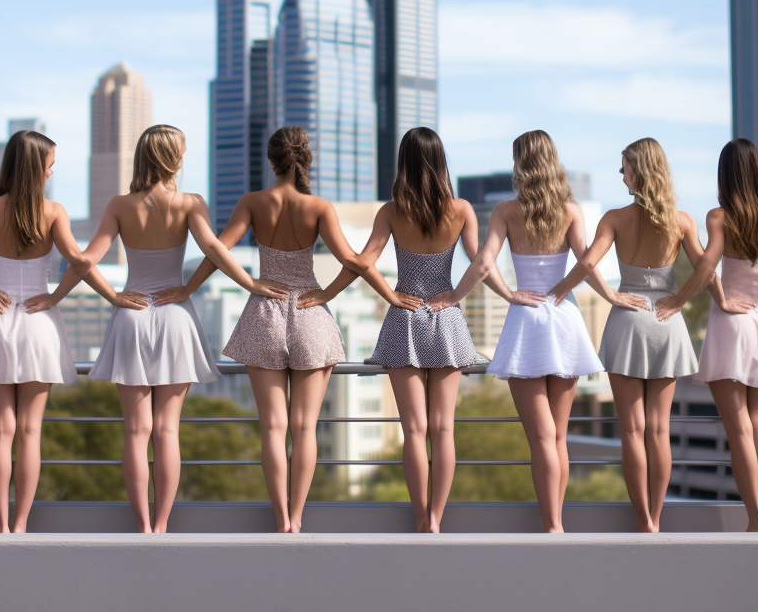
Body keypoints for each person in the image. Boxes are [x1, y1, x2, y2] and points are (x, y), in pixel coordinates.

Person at [28, 124, 286, 533]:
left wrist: (101, 296)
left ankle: (143, 524)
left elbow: (82, 261)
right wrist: (251, 284)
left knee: (135, 430)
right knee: (167, 430)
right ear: (174, 158)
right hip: (174, 315)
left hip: (131, 315)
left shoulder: (119, 205)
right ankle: (163, 526)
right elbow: (216, 249)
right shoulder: (190, 203)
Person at [169, 125, 422, 533]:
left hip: (263, 315)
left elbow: (217, 250)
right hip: (310, 313)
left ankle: (279, 516)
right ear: (306, 159)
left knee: (273, 427)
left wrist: (189, 287)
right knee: (305, 428)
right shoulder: (319, 207)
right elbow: (356, 261)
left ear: (272, 161)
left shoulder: (252, 202)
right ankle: (297, 518)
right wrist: (381, 295)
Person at [435, 130, 644, 532]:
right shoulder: (570, 210)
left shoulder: (505, 211)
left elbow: (483, 263)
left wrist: (458, 297)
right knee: (559, 438)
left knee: (541, 439)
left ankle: (552, 525)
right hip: (564, 318)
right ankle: (557, 521)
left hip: (527, 320)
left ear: (520, 163)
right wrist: (612, 296)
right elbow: (585, 262)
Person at [549, 138, 707, 532]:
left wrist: (567, 292)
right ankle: (658, 514)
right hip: (667, 323)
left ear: (640, 169)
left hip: (627, 319)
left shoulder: (614, 218)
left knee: (632, 431)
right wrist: (680, 299)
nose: (622, 176)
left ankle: (644, 521)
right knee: (659, 430)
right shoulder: (682, 221)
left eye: (625, 169)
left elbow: (587, 262)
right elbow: (707, 270)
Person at [0, 129, 103, 533]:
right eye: (50, 164)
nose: (52, 172)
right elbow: (82, 261)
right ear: (36, 166)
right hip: (38, 321)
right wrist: (55, 297)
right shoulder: (54, 212)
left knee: (0, 430)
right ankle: (20, 526)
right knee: (30, 431)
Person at [658, 138, 758, 532]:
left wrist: (690, 299)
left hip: (733, 326)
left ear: (725, 175)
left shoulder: (718, 216)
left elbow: (707, 267)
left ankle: (755, 520)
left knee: (739, 429)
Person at [360, 127, 484, 533]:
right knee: (443, 428)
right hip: (446, 320)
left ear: (404, 162)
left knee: (413, 430)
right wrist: (454, 295)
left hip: (405, 318)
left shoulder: (392, 211)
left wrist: (392, 296)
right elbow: (480, 264)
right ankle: (437, 517)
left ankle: (419, 519)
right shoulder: (462, 209)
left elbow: (364, 262)